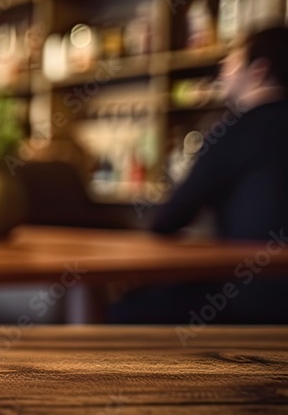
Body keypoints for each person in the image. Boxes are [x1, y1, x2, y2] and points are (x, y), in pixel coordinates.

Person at [111, 27, 288, 324]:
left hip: (253, 298)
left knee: (125, 312)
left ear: (259, 70)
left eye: (232, 60)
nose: (223, 68)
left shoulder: (236, 132)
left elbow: (171, 218)